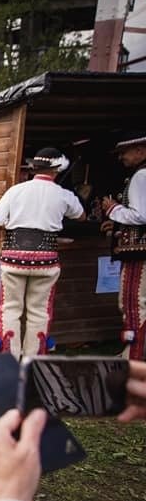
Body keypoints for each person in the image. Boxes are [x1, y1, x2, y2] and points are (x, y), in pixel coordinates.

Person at [0, 147, 85, 360]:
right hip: (47, 261)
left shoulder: (16, 191)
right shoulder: (63, 194)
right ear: (57, 169)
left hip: (13, 259)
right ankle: (34, 361)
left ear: (34, 168)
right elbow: (81, 216)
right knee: (39, 311)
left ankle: (8, 358)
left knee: (9, 309)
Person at [100, 131, 146, 359]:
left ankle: (135, 356)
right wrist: (117, 226)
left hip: (139, 252)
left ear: (140, 150)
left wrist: (113, 208)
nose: (121, 158)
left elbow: (141, 216)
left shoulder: (141, 176)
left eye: (124, 152)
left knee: (133, 301)